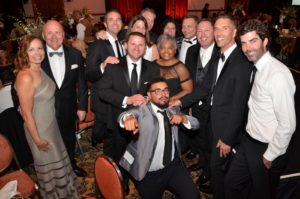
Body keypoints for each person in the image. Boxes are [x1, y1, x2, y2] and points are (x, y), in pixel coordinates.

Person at [170, 14, 253, 199]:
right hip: (214, 121)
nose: (218, 33)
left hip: (225, 128)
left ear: (234, 32)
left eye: (224, 28)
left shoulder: (241, 62)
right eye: (217, 28)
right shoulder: (219, 56)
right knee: (217, 167)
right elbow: (206, 87)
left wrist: (228, 138)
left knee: (219, 168)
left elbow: (239, 105)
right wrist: (181, 101)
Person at [225, 19, 296, 199]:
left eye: (253, 41)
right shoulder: (256, 68)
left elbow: (287, 124)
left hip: (267, 148)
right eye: (243, 43)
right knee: (232, 184)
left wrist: (270, 155)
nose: (248, 48)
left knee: (261, 194)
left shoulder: (277, 75)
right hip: (249, 141)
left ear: (265, 41)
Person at [15, 35, 79, 198]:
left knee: (59, 161)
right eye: (31, 50)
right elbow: (27, 113)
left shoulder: (39, 68)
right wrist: (37, 139)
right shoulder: (25, 76)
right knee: (49, 168)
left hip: (51, 126)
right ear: (24, 52)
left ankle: (66, 193)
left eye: (39, 48)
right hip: (39, 130)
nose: (37, 53)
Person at [118, 77, 200, 199]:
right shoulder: (142, 109)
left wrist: (183, 119)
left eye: (166, 90)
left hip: (173, 167)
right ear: (149, 95)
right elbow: (126, 114)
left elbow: (196, 124)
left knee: (193, 196)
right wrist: (128, 119)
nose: (163, 95)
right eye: (157, 91)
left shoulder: (172, 109)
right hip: (149, 172)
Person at [98, 32, 160, 193]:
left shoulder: (153, 68)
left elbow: (157, 93)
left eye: (141, 44)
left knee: (143, 154)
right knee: (121, 154)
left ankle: (143, 182)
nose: (136, 48)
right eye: (133, 44)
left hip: (144, 122)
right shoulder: (114, 66)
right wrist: (128, 99)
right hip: (119, 122)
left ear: (145, 47)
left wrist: (149, 98)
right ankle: (122, 182)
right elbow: (102, 91)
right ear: (125, 44)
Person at [41, 20, 88, 177]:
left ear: (63, 34)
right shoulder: (36, 57)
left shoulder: (75, 54)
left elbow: (81, 82)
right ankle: (54, 172)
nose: (54, 36)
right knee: (49, 143)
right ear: (43, 35)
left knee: (69, 139)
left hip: (69, 107)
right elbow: (18, 84)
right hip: (44, 110)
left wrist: (82, 107)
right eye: (50, 32)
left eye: (58, 32)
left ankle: (71, 165)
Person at [184, 19, 219, 190]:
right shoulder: (191, 51)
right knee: (199, 137)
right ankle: (203, 164)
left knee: (212, 141)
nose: (202, 35)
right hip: (195, 104)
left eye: (207, 31)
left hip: (214, 107)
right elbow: (189, 78)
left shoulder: (221, 52)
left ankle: (211, 172)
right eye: (199, 31)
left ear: (214, 32)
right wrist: (189, 103)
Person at [86, 9, 124, 148]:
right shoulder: (98, 44)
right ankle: (96, 142)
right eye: (111, 19)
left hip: (117, 96)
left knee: (114, 133)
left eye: (118, 19)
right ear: (105, 24)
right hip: (103, 98)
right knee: (105, 132)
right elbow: (89, 74)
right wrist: (102, 65)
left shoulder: (122, 43)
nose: (115, 22)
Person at [156, 34, 192, 101]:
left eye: (170, 48)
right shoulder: (152, 65)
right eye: (162, 48)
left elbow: (188, 90)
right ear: (158, 50)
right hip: (156, 105)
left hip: (174, 105)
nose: (166, 51)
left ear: (175, 50)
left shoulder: (180, 68)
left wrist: (171, 99)